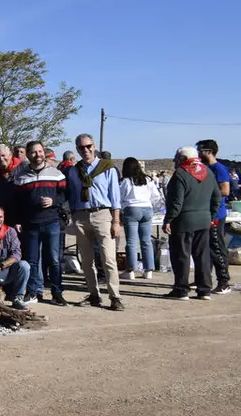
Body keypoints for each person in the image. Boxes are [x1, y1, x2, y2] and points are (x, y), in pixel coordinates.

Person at [64, 133, 124, 310]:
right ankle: (94, 294)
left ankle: (115, 296)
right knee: (86, 260)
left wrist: (116, 221)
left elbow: (115, 196)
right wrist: (72, 216)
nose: (86, 150)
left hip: (102, 214)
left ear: (94, 146)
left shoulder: (107, 168)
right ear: (77, 150)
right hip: (81, 216)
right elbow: (71, 195)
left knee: (108, 258)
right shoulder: (74, 171)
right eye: (81, 147)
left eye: (88, 146)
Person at [12, 141, 68, 305]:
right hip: (30, 224)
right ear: (28, 155)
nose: (38, 155)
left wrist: (54, 201)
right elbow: (17, 202)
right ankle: (33, 292)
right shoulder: (21, 177)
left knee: (54, 260)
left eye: (40, 151)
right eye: (34, 152)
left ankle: (57, 293)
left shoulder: (57, 174)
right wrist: (17, 220)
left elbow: (65, 196)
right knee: (32, 260)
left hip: (51, 222)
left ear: (44, 152)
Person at [163, 147, 221, 300]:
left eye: (177, 158)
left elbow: (176, 202)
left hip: (183, 222)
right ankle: (205, 290)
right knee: (202, 256)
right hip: (203, 221)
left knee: (181, 256)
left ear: (183, 158)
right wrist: (211, 215)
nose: (175, 161)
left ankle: (181, 290)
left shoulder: (180, 174)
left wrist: (168, 219)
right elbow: (217, 197)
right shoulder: (208, 172)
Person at [196, 140, 232, 294]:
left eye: (200, 150)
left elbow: (225, 191)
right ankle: (204, 279)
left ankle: (224, 282)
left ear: (209, 151)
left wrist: (206, 192)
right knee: (205, 248)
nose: (198, 153)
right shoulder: (204, 168)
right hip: (204, 212)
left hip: (216, 214)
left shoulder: (219, 169)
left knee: (217, 248)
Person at [119, 156, 160, 281]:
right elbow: (156, 196)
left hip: (131, 209)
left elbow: (120, 197)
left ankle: (131, 270)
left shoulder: (126, 181)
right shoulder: (148, 179)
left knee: (131, 241)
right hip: (147, 208)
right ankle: (148, 270)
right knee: (146, 240)